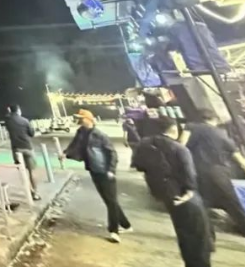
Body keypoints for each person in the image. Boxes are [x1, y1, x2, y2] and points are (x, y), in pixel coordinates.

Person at [134, 116, 212, 267]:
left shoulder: (144, 144)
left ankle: (189, 262)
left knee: (183, 232)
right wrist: (189, 192)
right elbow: (189, 174)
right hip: (185, 196)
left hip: (166, 195)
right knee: (199, 236)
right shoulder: (179, 148)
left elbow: (138, 165)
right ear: (174, 129)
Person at [62, 109, 130, 242]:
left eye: (81, 118)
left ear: (89, 119)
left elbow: (112, 153)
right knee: (108, 199)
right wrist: (65, 153)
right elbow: (74, 145)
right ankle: (126, 225)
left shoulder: (100, 135)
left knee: (111, 201)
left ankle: (114, 231)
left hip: (105, 171)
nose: (79, 121)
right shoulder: (81, 132)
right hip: (93, 169)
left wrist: (111, 170)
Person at [182, 108, 245, 236]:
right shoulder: (221, 133)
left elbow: (180, 146)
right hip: (219, 173)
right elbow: (239, 159)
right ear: (214, 119)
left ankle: (206, 235)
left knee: (201, 205)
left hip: (196, 172)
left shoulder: (191, 127)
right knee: (233, 204)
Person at [5, 105, 41, 201]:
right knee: (32, 172)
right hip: (27, 148)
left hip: (17, 149)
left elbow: (7, 117)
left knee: (22, 172)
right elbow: (32, 133)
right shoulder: (25, 121)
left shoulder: (8, 121)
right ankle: (35, 193)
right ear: (18, 110)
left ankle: (30, 191)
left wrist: (9, 112)